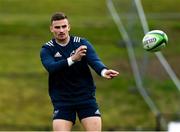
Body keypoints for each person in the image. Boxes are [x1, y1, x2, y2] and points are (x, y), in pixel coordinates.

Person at [40, 12, 119, 131]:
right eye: (57, 27)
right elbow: (51, 67)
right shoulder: (47, 49)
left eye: (64, 26)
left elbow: (94, 60)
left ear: (69, 27)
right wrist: (72, 59)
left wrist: (104, 71)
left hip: (85, 97)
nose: (61, 30)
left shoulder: (81, 43)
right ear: (51, 29)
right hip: (62, 100)